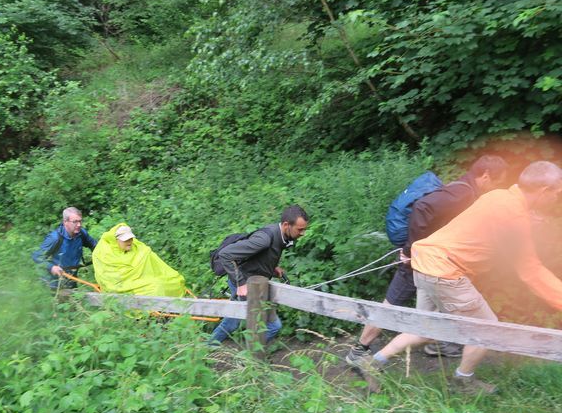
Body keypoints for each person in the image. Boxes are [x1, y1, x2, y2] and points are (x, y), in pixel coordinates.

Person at [350, 161, 562, 394]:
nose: (558, 199)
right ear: (544, 191)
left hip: (425, 265)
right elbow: (530, 270)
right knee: (488, 331)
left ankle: (371, 362)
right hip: (444, 272)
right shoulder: (513, 213)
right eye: (558, 193)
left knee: (427, 328)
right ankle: (463, 381)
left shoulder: (499, 197)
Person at [347, 155, 508, 362]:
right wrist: (410, 250)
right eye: (497, 182)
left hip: (434, 261)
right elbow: (423, 208)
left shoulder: (464, 187)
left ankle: (441, 345)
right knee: (392, 303)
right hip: (421, 258)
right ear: (486, 176)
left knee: (439, 302)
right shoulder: (463, 192)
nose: (495, 188)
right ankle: (359, 351)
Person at [210, 205, 309, 345]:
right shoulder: (264, 239)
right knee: (270, 326)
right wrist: (241, 283)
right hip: (244, 283)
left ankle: (246, 356)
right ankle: (214, 350)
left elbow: (259, 256)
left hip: (255, 284)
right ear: (286, 225)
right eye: (300, 229)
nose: (303, 233)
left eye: (304, 229)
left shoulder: (282, 236)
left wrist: (272, 268)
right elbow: (225, 255)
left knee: (234, 323)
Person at [92, 223, 185, 297]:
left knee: (173, 280)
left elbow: (156, 265)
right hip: (124, 286)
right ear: (116, 240)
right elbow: (110, 278)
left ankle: (170, 310)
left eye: (131, 238)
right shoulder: (105, 254)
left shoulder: (138, 248)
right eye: (125, 239)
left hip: (142, 280)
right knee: (156, 286)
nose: (129, 242)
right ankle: (157, 315)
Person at [32, 207, 97, 288]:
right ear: (65, 222)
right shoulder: (55, 238)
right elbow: (37, 256)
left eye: (80, 221)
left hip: (72, 279)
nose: (79, 225)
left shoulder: (81, 234)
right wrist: (51, 267)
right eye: (75, 222)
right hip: (53, 282)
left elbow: (95, 246)